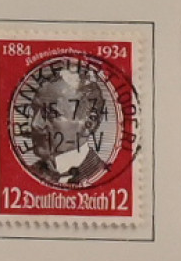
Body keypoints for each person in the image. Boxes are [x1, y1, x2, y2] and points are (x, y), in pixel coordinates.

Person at [13, 58, 115, 189]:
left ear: (89, 123)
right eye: (35, 110)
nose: (35, 124)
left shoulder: (102, 175)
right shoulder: (26, 176)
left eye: (51, 113)